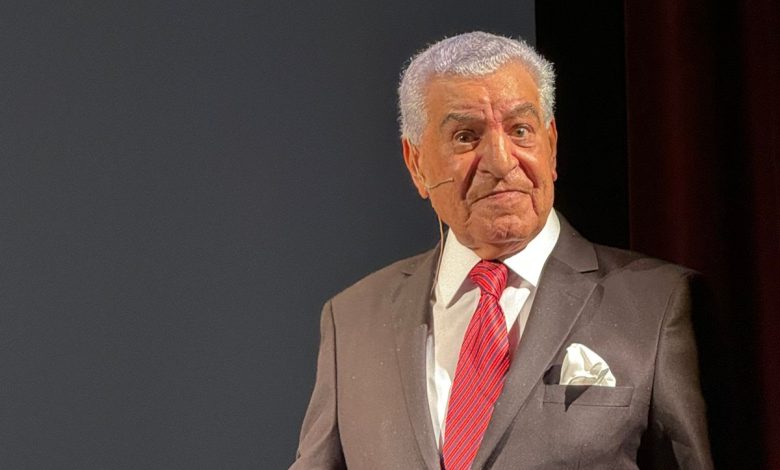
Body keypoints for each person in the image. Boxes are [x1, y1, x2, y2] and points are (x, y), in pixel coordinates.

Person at [290, 31, 712, 469]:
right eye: (465, 136)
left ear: (551, 146)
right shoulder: (353, 319)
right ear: (416, 163)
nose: (500, 160)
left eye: (520, 130)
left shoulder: (657, 305)